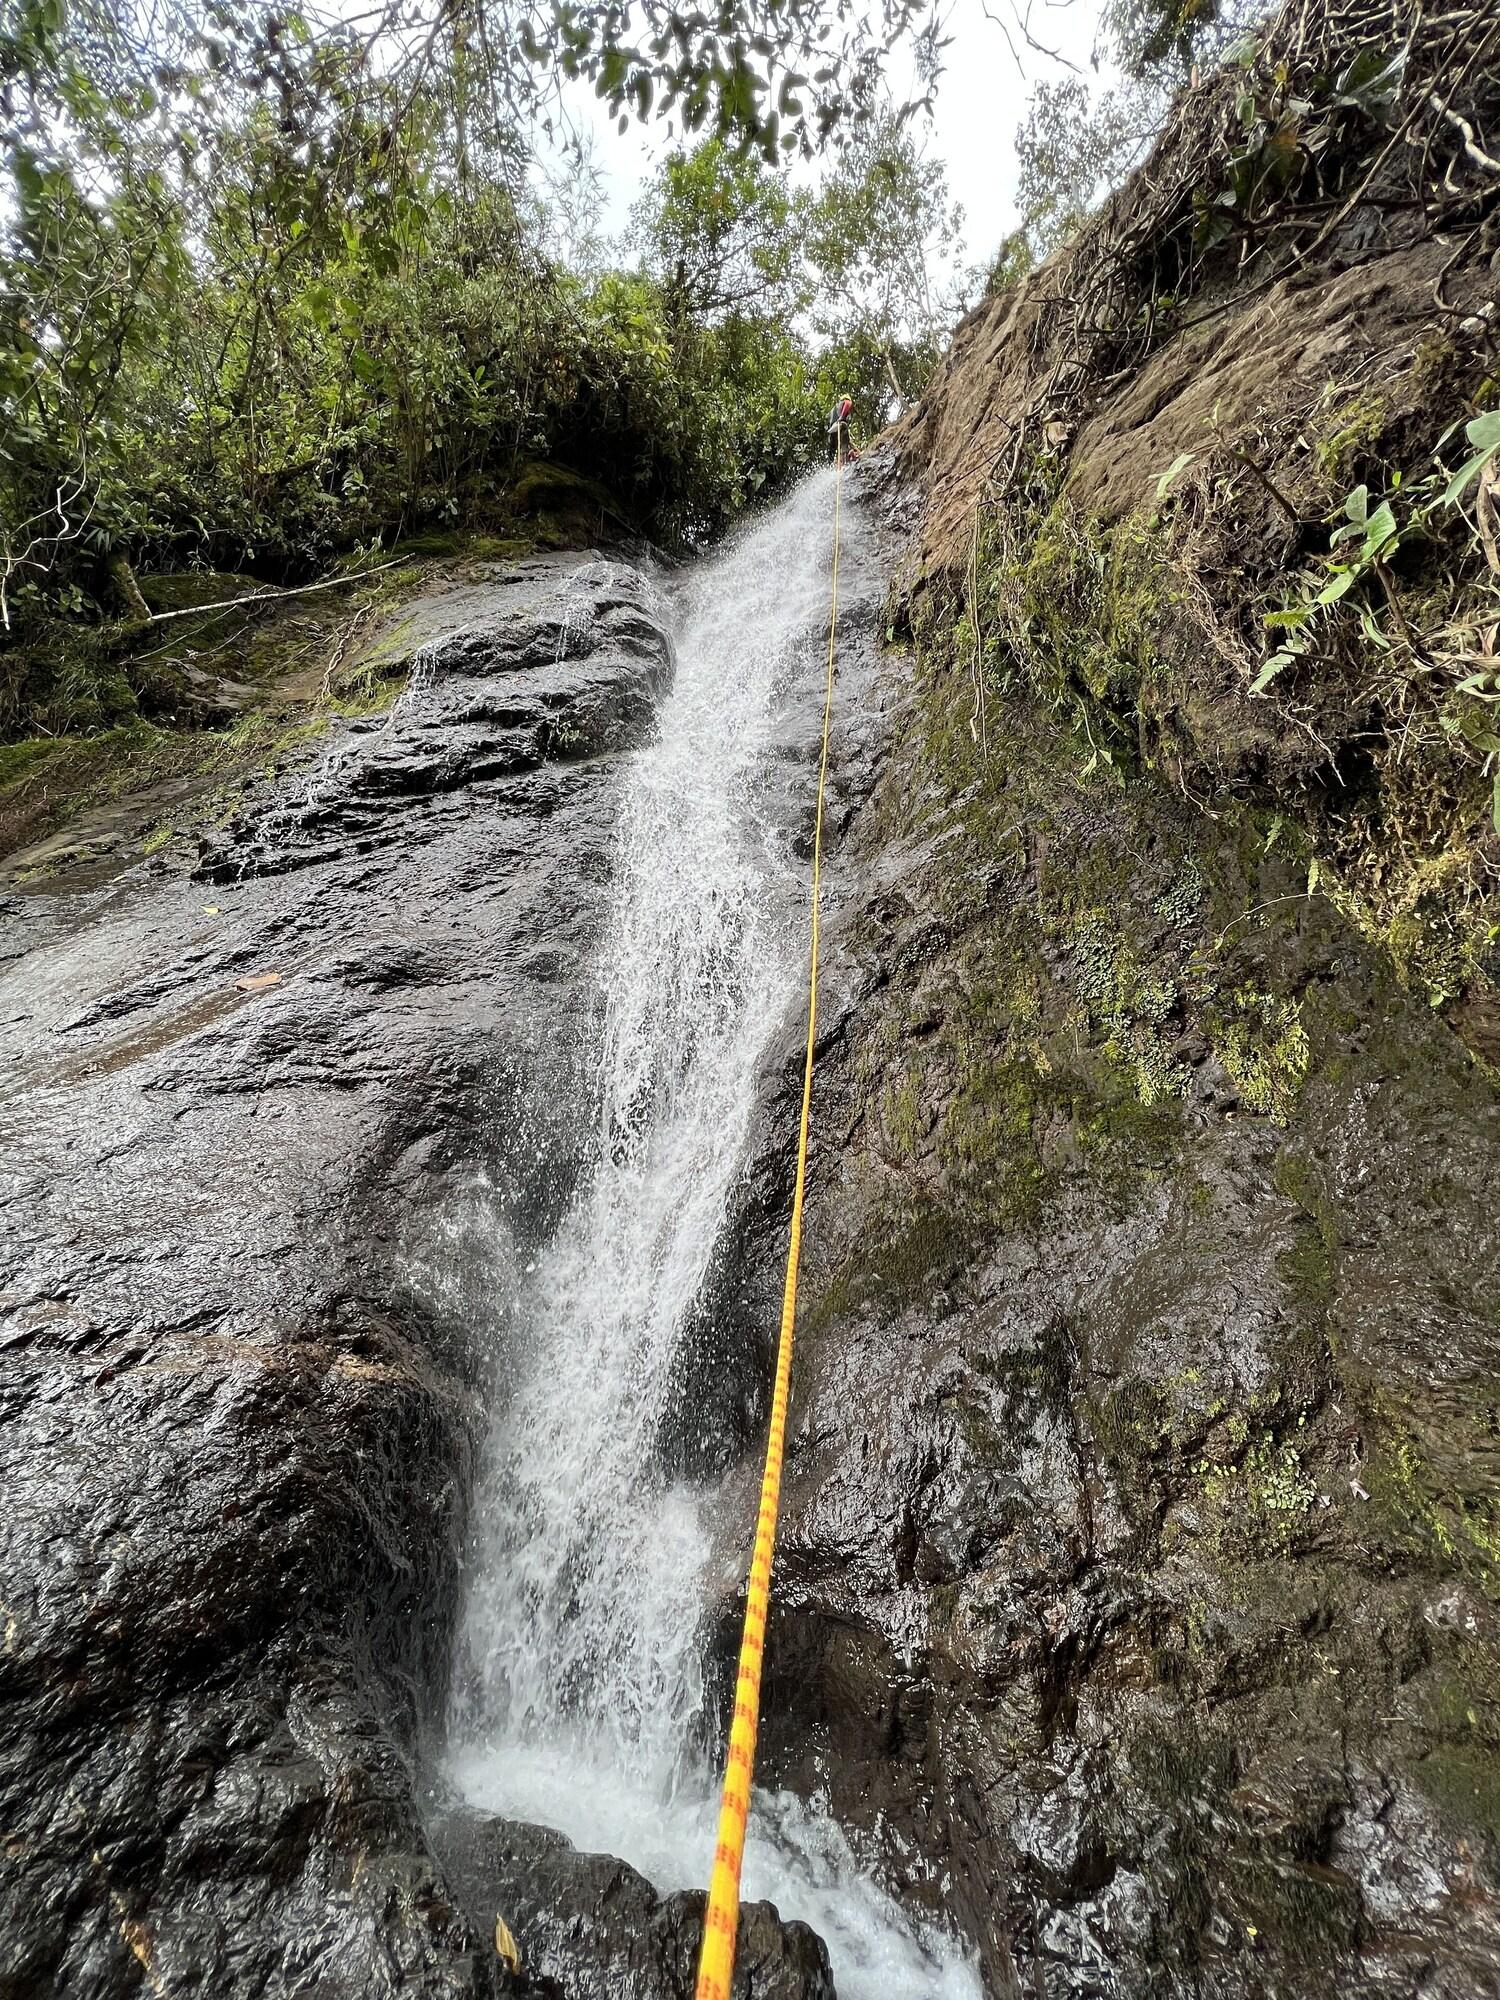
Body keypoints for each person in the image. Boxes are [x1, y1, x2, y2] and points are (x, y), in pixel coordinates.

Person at [826, 394, 853, 464]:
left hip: (832, 430)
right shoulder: (846, 401)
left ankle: (830, 465)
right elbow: (848, 404)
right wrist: (841, 417)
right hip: (840, 426)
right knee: (844, 447)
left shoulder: (833, 409)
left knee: (832, 451)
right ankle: (845, 465)